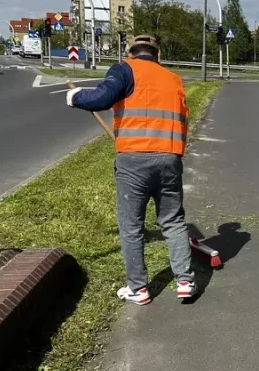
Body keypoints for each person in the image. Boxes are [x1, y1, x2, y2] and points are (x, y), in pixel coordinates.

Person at [66, 35, 197, 305]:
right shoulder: (173, 79)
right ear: (158, 55)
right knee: (173, 221)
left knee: (131, 226)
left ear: (131, 53)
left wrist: (76, 97)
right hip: (170, 158)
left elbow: (102, 98)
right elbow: (183, 118)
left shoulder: (124, 69)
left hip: (134, 160)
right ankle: (185, 281)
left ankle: (139, 289)